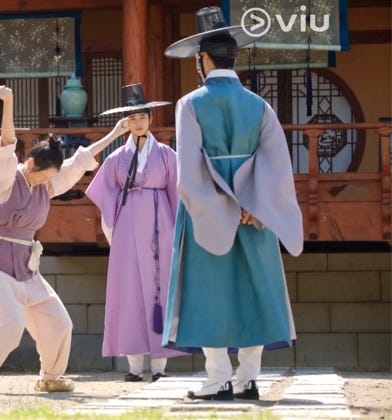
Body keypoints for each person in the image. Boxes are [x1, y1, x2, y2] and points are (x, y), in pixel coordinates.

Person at [162, 6, 303, 401]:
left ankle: (218, 377)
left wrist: (216, 208)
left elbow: (188, 174)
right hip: (255, 212)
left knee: (209, 293)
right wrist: (253, 207)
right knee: (254, 289)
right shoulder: (260, 106)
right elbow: (277, 165)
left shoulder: (190, 104)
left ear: (202, 60)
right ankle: (249, 377)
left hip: (208, 215)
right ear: (234, 58)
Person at [0, 85, 129, 394]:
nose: (46, 183)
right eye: (43, 176)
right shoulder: (6, 181)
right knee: (12, 326)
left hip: (27, 267)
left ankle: (51, 376)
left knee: (59, 322)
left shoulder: (45, 186)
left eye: (49, 178)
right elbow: (6, 145)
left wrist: (115, 134)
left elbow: (78, 162)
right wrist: (9, 103)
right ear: (30, 165)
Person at [85, 83, 186, 382]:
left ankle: (159, 367)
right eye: (133, 118)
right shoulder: (116, 160)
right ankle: (133, 366)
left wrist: (178, 234)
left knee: (160, 290)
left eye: (143, 116)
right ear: (125, 123)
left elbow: (177, 196)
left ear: (150, 119)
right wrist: (113, 230)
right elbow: (105, 195)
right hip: (128, 231)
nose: (139, 122)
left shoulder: (167, 155)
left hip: (160, 228)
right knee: (128, 292)